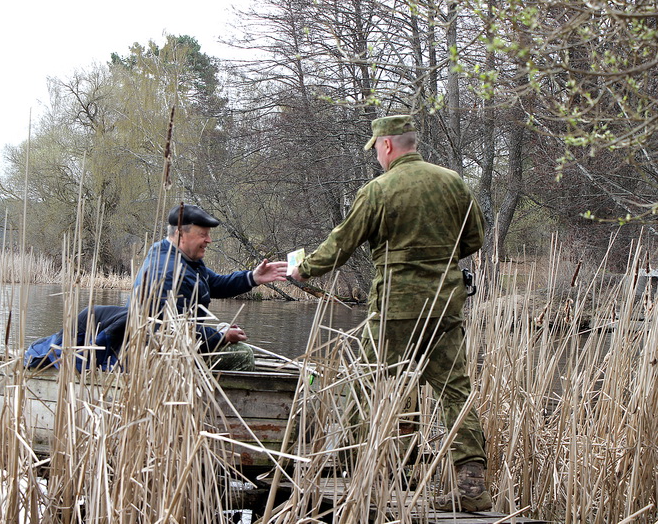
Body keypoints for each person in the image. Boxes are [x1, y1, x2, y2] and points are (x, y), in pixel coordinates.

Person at [288, 115, 491, 512]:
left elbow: (340, 244)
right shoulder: (453, 183)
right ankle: (472, 487)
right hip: (445, 305)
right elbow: (475, 239)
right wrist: (438, 264)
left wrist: (303, 268)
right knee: (455, 390)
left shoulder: (378, 191)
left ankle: (352, 468)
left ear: (386, 146)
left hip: (395, 308)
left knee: (366, 384)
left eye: (377, 151)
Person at [25, 204, 288, 372]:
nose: (209, 240)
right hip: (151, 353)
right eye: (203, 234)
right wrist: (220, 337)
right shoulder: (167, 271)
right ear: (181, 234)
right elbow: (168, 329)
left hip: (173, 344)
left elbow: (213, 283)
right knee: (242, 355)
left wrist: (252, 277)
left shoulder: (182, 257)